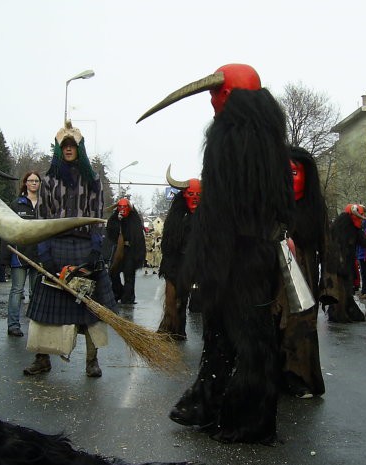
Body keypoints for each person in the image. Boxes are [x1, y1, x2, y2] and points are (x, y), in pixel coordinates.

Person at [0, 152, 192, 465]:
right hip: (54, 266)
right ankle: (42, 359)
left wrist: (85, 266)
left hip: (84, 268)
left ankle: (91, 361)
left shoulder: (90, 205)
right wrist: (53, 263)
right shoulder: (48, 201)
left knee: (90, 320)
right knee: (43, 316)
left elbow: (98, 239)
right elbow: (43, 234)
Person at [138, 63, 294, 444]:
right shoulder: (264, 142)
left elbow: (226, 210)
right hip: (237, 257)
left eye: (215, 94)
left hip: (241, 259)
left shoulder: (235, 141)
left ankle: (246, 419)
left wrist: (212, 251)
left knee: (249, 339)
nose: (211, 101)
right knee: (222, 334)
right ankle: (212, 406)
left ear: (229, 97)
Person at [24, 121, 115, 378]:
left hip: (86, 247)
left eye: (72, 145)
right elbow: (42, 219)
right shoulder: (49, 180)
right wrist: (44, 254)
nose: (68, 149)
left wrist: (96, 251)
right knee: (44, 310)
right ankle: (42, 358)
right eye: (63, 145)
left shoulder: (93, 180)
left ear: (80, 148)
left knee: (91, 310)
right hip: (56, 246)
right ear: (58, 149)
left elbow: (97, 218)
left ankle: (92, 361)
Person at [278, 146, 331, 398]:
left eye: (294, 172)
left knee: (301, 325)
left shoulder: (316, 207)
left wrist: (328, 287)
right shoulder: (269, 204)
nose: (289, 178)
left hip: (305, 274)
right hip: (270, 274)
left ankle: (298, 376)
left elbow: (327, 247)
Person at [156, 169, 202, 340]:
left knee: (191, 301)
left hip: (197, 265)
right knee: (174, 299)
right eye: (191, 194)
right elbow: (168, 244)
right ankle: (173, 329)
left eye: (199, 194)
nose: (195, 198)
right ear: (184, 196)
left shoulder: (207, 219)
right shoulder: (176, 219)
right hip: (176, 264)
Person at [0, 171, 42, 337]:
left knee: (36, 292)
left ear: (39, 184)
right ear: (25, 183)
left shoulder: (44, 205)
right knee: (17, 290)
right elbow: (7, 229)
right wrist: (4, 258)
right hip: (19, 254)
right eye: (30, 180)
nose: (33, 183)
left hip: (38, 255)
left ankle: (36, 325)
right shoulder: (16, 204)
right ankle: (13, 325)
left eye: (36, 181)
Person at [106, 197, 146, 304]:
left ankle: (128, 297)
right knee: (113, 272)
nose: (122, 209)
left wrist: (138, 254)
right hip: (118, 249)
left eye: (124, 207)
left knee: (129, 275)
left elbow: (138, 236)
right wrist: (117, 222)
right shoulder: (114, 218)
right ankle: (118, 292)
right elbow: (110, 232)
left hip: (130, 250)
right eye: (120, 207)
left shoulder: (134, 218)